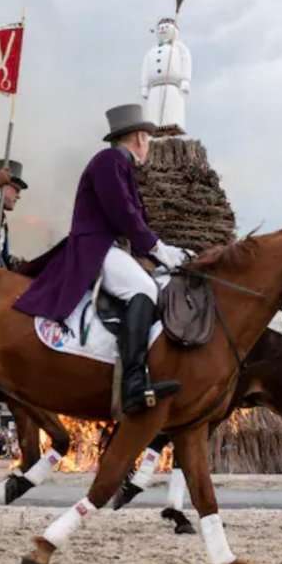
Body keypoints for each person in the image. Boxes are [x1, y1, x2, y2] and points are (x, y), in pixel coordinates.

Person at [14, 104, 190, 414]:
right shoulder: (109, 161)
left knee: (153, 283)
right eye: (147, 138)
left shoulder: (119, 164)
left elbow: (134, 218)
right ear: (137, 137)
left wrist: (158, 254)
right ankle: (133, 383)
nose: (148, 144)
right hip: (96, 246)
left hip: (112, 247)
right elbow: (124, 214)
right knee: (144, 290)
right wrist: (161, 250)